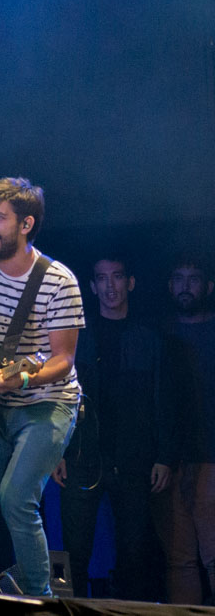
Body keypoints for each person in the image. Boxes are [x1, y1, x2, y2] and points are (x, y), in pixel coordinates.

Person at [0, 176, 84, 596]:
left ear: (26, 224)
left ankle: (40, 598)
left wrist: (22, 377)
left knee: (16, 498)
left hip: (47, 403)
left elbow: (63, 360)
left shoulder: (59, 280)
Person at [51, 254, 173, 600]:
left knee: (134, 553)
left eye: (117, 277)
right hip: (82, 456)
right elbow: (58, 396)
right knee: (73, 551)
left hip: (133, 459)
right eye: (102, 278)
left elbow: (162, 399)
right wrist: (56, 450)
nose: (110, 286)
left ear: (130, 283)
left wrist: (164, 456)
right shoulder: (77, 338)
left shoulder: (149, 338)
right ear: (92, 286)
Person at [162, 255, 215, 604]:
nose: (185, 286)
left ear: (208, 286)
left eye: (193, 279)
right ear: (170, 286)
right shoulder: (159, 332)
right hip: (169, 461)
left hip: (211, 456)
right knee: (178, 560)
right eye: (179, 278)